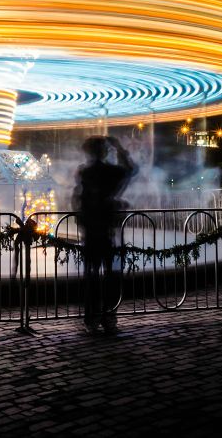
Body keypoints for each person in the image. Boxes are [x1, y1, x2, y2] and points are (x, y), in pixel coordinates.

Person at [73, 135, 136, 334]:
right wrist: (119, 148)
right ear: (105, 151)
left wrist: (81, 217)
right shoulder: (111, 171)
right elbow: (130, 169)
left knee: (91, 276)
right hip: (109, 231)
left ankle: (92, 319)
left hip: (92, 231)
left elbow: (78, 198)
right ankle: (109, 317)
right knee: (112, 275)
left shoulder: (85, 172)